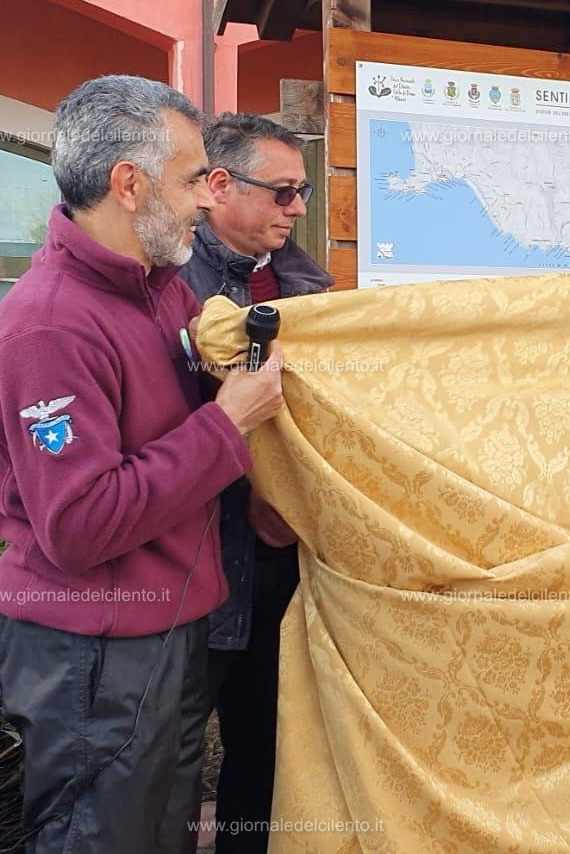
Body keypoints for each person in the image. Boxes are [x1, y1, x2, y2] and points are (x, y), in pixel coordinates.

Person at [0, 75, 284, 854]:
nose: (205, 202)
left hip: (170, 630)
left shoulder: (159, 292)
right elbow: (79, 524)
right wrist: (227, 422)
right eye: (190, 180)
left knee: (161, 838)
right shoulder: (48, 326)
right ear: (128, 183)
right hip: (92, 655)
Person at [178, 112, 332, 854]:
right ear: (218, 185)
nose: (297, 208)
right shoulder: (167, 287)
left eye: (300, 192)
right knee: (164, 770)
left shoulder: (315, 288)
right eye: (282, 192)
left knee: (264, 761)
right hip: (191, 565)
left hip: (278, 570)